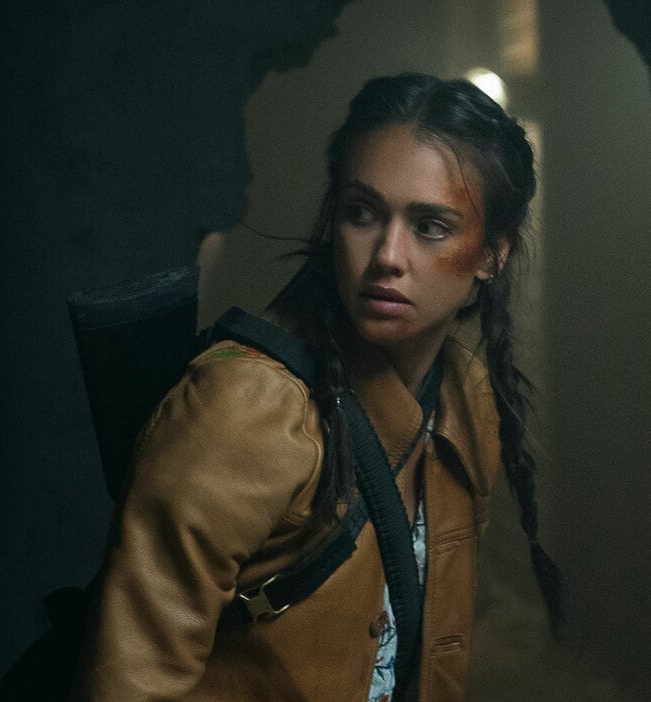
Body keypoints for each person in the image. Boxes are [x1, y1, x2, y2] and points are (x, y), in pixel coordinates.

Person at [70, 73, 563, 701]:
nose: (387, 254)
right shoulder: (250, 406)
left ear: (492, 253)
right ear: (332, 220)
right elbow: (127, 685)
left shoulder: (465, 399)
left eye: (430, 226)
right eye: (363, 213)